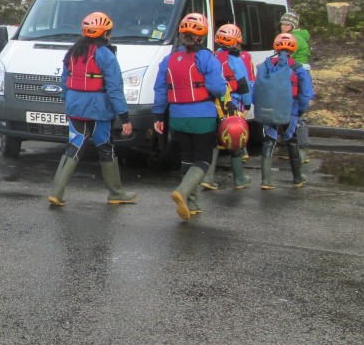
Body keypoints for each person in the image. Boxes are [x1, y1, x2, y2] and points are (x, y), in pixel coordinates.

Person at [47, 11, 137, 206]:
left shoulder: (73, 52)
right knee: (105, 147)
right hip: (99, 110)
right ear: (105, 33)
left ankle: (56, 192)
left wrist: (68, 102)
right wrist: (124, 117)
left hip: (75, 107)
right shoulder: (106, 54)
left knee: (74, 146)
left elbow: (64, 81)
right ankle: (116, 193)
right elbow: (115, 88)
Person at [152, 12, 228, 221]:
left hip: (177, 116)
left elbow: (160, 89)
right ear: (202, 37)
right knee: (203, 159)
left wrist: (158, 115)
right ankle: (183, 192)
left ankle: (192, 204)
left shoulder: (168, 59)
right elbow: (218, 88)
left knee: (187, 157)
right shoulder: (206, 58)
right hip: (202, 115)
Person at [258, 32, 314, 189]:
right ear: (293, 49)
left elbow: (257, 88)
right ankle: (298, 177)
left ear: (275, 48)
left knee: (269, 141)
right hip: (290, 109)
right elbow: (305, 93)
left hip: (269, 109)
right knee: (291, 140)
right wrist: (301, 110)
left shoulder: (266, 65)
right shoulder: (298, 68)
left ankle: (266, 181)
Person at [201, 23, 253, 191]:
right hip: (232, 103)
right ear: (235, 42)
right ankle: (239, 178)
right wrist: (247, 103)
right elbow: (244, 84)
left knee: (215, 140)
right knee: (234, 138)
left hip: (214, 104)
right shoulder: (235, 60)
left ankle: (208, 177)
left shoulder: (212, 57)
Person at [279, 11, 312, 161]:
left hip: (297, 76)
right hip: (296, 75)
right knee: (291, 115)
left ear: (293, 26)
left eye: (286, 24)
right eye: (282, 23)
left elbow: (287, 57)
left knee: (297, 116)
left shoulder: (294, 38)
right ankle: (289, 150)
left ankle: (300, 152)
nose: (283, 26)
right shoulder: (294, 36)